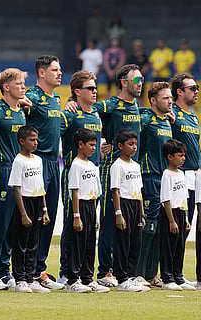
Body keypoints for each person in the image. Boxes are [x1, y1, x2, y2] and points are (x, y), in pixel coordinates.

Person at [66, 64, 143, 288]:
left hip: (131, 172)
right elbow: (86, 112)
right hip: (111, 169)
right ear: (124, 82)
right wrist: (72, 102)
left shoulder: (138, 107)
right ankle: (105, 271)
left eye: (141, 79)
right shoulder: (109, 105)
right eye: (136, 80)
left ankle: (125, 272)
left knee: (129, 225)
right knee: (110, 223)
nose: (140, 84)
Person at [0, 68, 27, 290]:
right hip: (2, 169)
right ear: (6, 87)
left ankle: (4, 271)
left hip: (20, 170)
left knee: (12, 225)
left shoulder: (22, 111)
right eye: (19, 84)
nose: (23, 87)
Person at [24, 56, 65, 290]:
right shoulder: (32, 97)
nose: (60, 73)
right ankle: (25, 270)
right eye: (55, 70)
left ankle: (39, 269)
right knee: (34, 216)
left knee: (49, 218)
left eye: (59, 69)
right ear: (41, 73)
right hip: (37, 162)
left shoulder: (57, 98)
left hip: (54, 163)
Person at [58, 71, 102, 284]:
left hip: (94, 174)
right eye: (90, 88)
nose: (95, 91)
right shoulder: (70, 113)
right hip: (73, 174)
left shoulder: (96, 115)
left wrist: (104, 147)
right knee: (72, 224)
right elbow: (50, 132)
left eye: (95, 88)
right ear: (77, 92)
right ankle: (67, 273)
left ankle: (86, 275)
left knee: (89, 226)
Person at [136, 82, 173, 288]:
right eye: (165, 98)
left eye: (170, 98)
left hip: (166, 178)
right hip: (149, 176)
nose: (170, 101)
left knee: (160, 227)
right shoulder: (145, 119)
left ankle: (152, 274)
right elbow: (129, 135)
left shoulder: (167, 121)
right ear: (153, 100)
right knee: (148, 226)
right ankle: (139, 273)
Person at [65, 128, 108, 293]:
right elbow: (75, 191)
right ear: (80, 144)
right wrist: (76, 216)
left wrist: (95, 215)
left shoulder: (91, 165)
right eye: (90, 145)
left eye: (95, 145)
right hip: (80, 207)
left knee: (90, 244)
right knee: (77, 244)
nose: (93, 148)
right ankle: (72, 280)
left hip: (91, 206)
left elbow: (96, 192)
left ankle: (87, 278)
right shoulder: (76, 165)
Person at [8, 126, 50, 294]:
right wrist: (23, 213)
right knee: (21, 243)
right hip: (24, 202)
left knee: (34, 243)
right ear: (21, 141)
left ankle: (31, 277)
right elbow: (16, 189)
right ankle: (20, 279)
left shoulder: (38, 160)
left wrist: (45, 209)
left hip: (38, 201)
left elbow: (41, 186)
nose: (35, 143)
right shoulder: (19, 161)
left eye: (36, 139)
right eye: (32, 140)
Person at [110, 129, 147, 292]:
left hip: (135, 205)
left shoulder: (136, 166)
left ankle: (131, 276)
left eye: (135, 144)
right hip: (123, 205)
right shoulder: (117, 166)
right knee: (123, 243)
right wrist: (118, 214)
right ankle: (121, 278)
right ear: (120, 146)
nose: (134, 147)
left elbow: (139, 190)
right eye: (130, 144)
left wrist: (142, 212)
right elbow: (116, 190)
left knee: (135, 242)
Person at [160, 139, 194, 291]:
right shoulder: (167, 174)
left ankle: (178, 276)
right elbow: (166, 199)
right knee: (169, 246)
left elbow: (183, 197)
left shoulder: (181, 174)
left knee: (180, 245)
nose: (183, 158)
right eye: (180, 155)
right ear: (170, 157)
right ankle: (167, 278)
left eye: (184, 155)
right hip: (170, 213)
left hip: (181, 212)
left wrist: (185, 218)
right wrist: (171, 220)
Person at [170, 73, 200, 243]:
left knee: (187, 224)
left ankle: (176, 268)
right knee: (178, 223)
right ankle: (169, 269)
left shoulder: (193, 116)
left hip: (194, 175)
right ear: (180, 92)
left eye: (197, 88)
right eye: (192, 88)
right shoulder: (171, 111)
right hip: (179, 173)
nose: (196, 92)